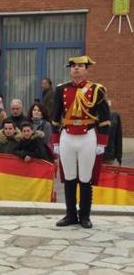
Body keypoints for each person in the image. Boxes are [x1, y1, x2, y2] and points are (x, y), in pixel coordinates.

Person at [52, 55, 110, 229]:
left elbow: (105, 119)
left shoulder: (97, 89)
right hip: (67, 135)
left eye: (80, 66)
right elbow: (56, 117)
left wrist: (102, 142)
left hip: (88, 136)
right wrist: (55, 141)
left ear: (86, 69)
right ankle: (70, 214)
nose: (76, 69)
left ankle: (84, 215)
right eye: (73, 66)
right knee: (69, 176)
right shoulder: (61, 89)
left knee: (86, 177)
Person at [104, 99, 122, 165]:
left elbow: (118, 137)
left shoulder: (115, 116)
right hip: (93, 155)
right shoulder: (92, 116)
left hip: (109, 155)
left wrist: (119, 156)